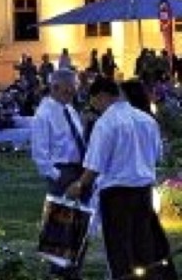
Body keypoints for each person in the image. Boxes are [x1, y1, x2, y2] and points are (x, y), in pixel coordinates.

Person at [66, 76, 178, 280]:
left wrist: (80, 184)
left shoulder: (106, 123)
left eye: (94, 102)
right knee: (144, 245)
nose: (95, 108)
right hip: (144, 191)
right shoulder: (147, 119)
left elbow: (95, 165)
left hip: (116, 195)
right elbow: (157, 155)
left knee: (119, 248)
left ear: (101, 97)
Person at [30, 68, 88, 279]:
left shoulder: (69, 109)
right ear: (55, 87)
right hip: (62, 172)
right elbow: (39, 153)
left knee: (79, 223)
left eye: (74, 88)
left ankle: (73, 269)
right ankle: (59, 272)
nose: (73, 92)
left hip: (78, 170)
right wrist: (57, 176)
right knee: (61, 225)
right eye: (68, 89)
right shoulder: (44, 114)